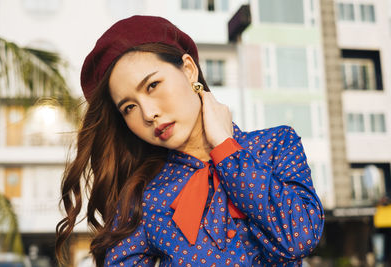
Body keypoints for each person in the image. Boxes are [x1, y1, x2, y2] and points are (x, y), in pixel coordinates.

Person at [55, 15, 325, 266]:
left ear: (188, 70)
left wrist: (226, 149)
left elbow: (299, 238)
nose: (148, 114)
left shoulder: (275, 145)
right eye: (129, 107)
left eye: (152, 85)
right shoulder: (144, 198)